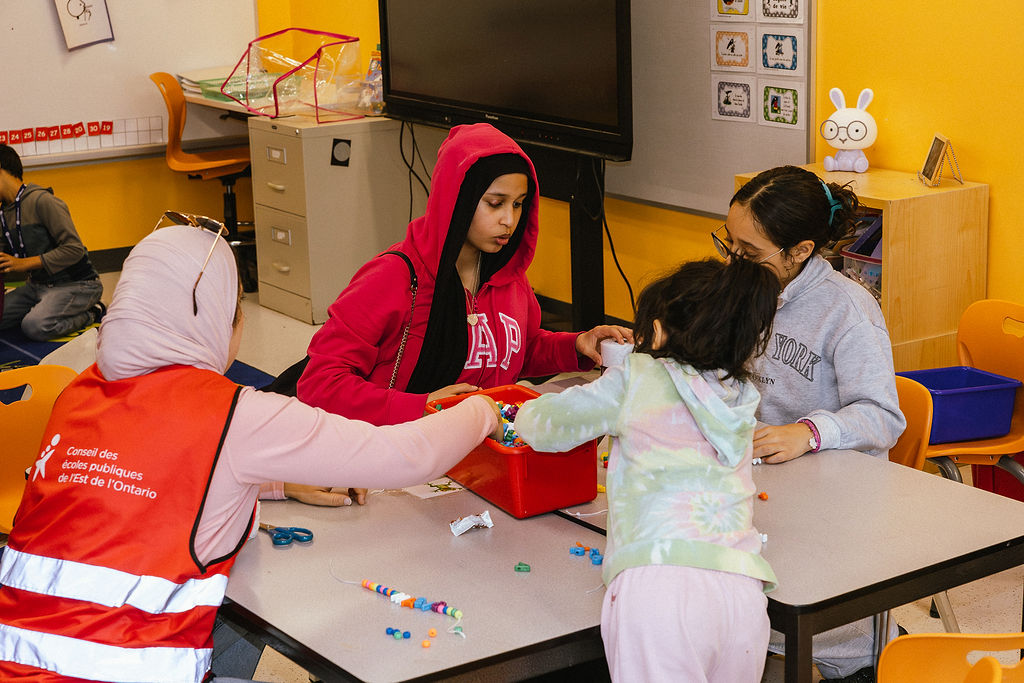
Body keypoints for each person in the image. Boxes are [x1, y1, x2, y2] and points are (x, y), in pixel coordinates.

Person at [0, 218, 503, 682]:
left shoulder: (79, 392)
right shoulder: (234, 412)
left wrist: (277, 483)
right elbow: (407, 457)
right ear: (224, 321)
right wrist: (485, 409)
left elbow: (157, 475)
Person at [295, 123, 631, 504]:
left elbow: (514, 348)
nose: (509, 219)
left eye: (519, 204)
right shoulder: (393, 277)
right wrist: (421, 407)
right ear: (456, 199)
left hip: (479, 469)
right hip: (397, 463)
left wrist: (577, 345)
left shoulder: (509, 278)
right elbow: (319, 383)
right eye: (495, 203)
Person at [514, 257, 781, 683]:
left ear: (655, 332)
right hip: (742, 591)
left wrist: (517, 411)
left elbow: (543, 427)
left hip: (659, 591)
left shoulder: (637, 378)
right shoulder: (738, 396)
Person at [722, 165, 906, 681]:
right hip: (761, 482)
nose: (734, 261)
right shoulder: (748, 286)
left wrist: (808, 431)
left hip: (830, 504)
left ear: (800, 251)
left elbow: (882, 416)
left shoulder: (849, 311)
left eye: (750, 252)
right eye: (729, 242)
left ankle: (840, 659)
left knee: (780, 609)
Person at [0, 144, 104, 341]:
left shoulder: (42, 201)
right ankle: (45, 307)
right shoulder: (3, 213)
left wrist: (24, 263)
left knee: (35, 327)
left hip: (77, 284)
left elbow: (74, 250)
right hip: (37, 286)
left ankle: (93, 311)